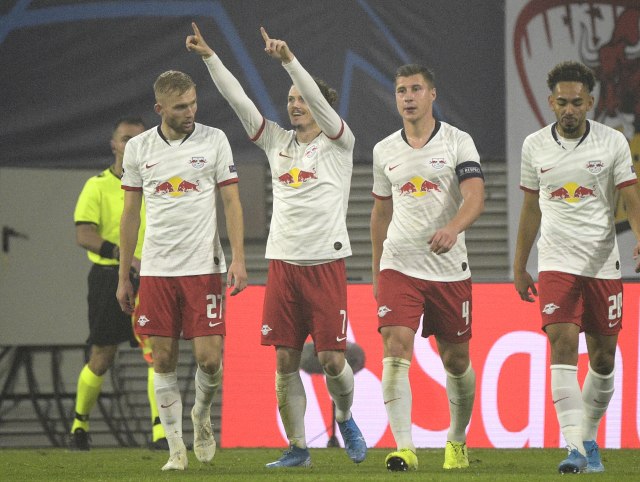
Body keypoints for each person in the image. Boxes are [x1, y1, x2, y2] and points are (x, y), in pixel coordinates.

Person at [186, 23, 367, 468]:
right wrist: (210, 57)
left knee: (331, 360)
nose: (295, 105)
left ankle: (345, 416)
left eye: (302, 99)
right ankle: (298, 448)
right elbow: (239, 101)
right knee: (285, 360)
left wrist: (289, 62)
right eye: (290, 99)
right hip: (283, 265)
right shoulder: (276, 142)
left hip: (325, 264)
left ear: (321, 107)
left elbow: (318, 101)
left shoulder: (339, 143)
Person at [116, 70, 247, 471]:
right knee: (163, 359)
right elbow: (130, 214)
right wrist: (123, 277)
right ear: (160, 108)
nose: (190, 112)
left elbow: (231, 202)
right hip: (157, 271)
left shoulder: (214, 140)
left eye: (193, 103)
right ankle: (176, 450)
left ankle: (201, 416)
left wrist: (238, 258)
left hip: (203, 267)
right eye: (180, 107)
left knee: (209, 359)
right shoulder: (138, 148)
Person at [513, 60, 640, 474]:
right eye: (562, 102)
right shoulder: (534, 145)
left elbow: (630, 198)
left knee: (603, 361)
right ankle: (574, 448)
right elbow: (531, 208)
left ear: (590, 102)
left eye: (577, 102)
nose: (569, 110)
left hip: (602, 263)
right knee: (562, 342)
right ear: (551, 103)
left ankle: (587, 436)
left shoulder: (613, 142)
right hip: (556, 261)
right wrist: (519, 265)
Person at [370, 64, 485, 472]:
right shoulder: (384, 150)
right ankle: (405, 448)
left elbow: (475, 196)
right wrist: (377, 271)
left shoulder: (458, 141)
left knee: (456, 361)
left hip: (448, 269)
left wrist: (453, 229)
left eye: (416, 89)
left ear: (432, 94)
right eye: (401, 90)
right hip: (399, 264)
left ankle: (456, 440)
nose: (408, 97)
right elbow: (380, 213)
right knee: (395, 347)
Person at [71, 116, 168, 451]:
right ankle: (79, 424)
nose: (131, 145)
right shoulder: (97, 185)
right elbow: (84, 234)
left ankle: (161, 432)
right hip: (108, 277)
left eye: (138, 139)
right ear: (113, 145)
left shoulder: (158, 184)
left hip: (152, 278)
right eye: (126, 138)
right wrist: (124, 257)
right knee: (102, 355)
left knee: (157, 352)